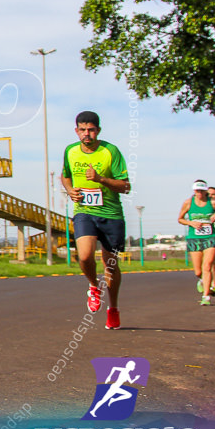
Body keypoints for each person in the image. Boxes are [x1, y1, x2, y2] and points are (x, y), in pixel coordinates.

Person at [61, 111, 131, 329]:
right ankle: (93, 286)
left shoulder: (111, 151)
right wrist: (70, 190)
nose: (86, 134)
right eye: (82, 130)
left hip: (111, 215)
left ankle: (113, 308)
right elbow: (65, 175)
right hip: (84, 211)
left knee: (110, 266)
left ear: (98, 130)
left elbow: (126, 186)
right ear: (76, 131)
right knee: (84, 256)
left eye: (91, 129)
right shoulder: (71, 151)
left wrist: (100, 179)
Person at [178, 180, 215, 306]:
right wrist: (191, 223)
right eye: (197, 191)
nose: (200, 193)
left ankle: (206, 296)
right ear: (194, 191)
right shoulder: (188, 203)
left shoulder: (213, 203)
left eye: (202, 191)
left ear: (205, 191)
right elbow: (180, 219)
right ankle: (202, 280)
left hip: (210, 237)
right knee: (198, 271)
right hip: (194, 238)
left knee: (207, 266)